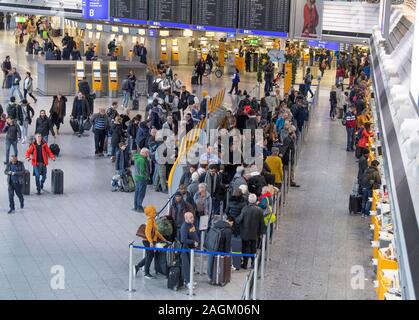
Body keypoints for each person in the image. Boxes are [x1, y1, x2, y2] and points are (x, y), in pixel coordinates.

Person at [134, 206, 169, 279]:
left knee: (150, 255)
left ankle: (137, 266)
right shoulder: (150, 221)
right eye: (153, 211)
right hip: (147, 241)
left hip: (150, 241)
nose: (155, 212)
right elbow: (147, 232)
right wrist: (150, 242)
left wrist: (164, 239)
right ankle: (146, 273)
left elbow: (156, 232)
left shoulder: (153, 220)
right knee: (150, 255)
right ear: (150, 213)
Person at [235, 194, 265, 269]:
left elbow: (239, 220)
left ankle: (245, 264)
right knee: (253, 248)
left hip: (245, 232)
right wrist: (261, 233)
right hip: (255, 233)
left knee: (245, 248)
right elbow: (262, 223)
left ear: (249, 200)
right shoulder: (260, 210)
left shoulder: (245, 209)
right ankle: (253, 263)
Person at [207, 216, 234, 283]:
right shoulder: (228, 230)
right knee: (220, 262)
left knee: (210, 260)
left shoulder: (217, 224)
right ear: (231, 222)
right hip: (219, 248)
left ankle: (210, 276)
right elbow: (227, 243)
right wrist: (227, 253)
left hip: (212, 245)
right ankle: (221, 276)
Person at [180, 212, 200, 290]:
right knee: (186, 266)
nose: (193, 219)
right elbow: (183, 239)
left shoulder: (191, 224)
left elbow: (194, 233)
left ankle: (190, 280)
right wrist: (193, 242)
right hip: (185, 249)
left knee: (191, 265)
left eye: (193, 217)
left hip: (191, 249)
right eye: (191, 217)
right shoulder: (184, 227)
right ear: (186, 218)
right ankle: (188, 282)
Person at [133, 148, 150, 213]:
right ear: (143, 153)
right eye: (146, 153)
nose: (147, 154)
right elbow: (142, 171)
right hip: (142, 179)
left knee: (137, 192)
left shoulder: (137, 158)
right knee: (141, 193)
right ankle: (139, 207)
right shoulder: (142, 160)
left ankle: (136, 206)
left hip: (137, 178)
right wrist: (146, 177)